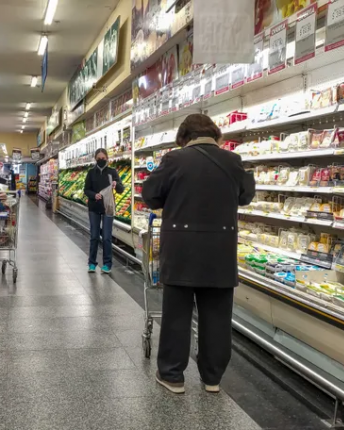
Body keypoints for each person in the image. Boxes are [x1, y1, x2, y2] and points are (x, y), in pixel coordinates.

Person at [142, 114, 255, 395]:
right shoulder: (233, 161)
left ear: (184, 137)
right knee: (217, 317)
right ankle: (212, 378)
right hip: (220, 251)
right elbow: (246, 196)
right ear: (216, 135)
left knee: (176, 315)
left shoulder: (174, 159)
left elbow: (149, 194)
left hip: (181, 250)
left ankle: (172, 376)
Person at [83, 148, 124, 274]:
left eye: (103, 158)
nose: (101, 160)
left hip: (108, 208)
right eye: (99, 158)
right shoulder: (91, 173)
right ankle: (92, 263)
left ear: (107, 158)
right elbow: (86, 190)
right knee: (94, 236)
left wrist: (116, 185)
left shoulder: (112, 172)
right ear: (95, 159)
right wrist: (94, 195)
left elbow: (121, 189)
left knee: (106, 237)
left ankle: (107, 264)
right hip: (94, 207)